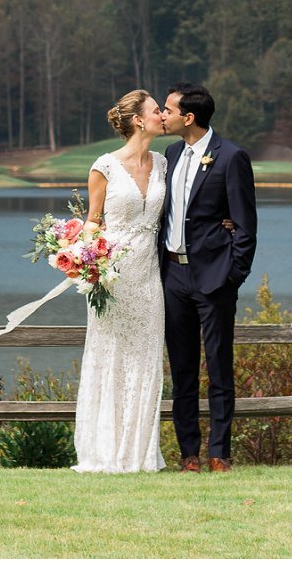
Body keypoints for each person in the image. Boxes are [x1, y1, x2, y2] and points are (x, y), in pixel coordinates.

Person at [153, 83, 256, 472]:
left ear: (189, 117)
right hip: (173, 278)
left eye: (168, 109)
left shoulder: (232, 157)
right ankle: (189, 455)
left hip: (215, 280)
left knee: (218, 367)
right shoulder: (172, 153)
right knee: (181, 369)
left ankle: (219, 453)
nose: (163, 115)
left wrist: (233, 275)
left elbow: (246, 227)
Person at [70, 89, 171, 473]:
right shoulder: (104, 166)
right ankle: (105, 451)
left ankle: (141, 453)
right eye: (156, 110)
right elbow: (93, 221)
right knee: (110, 358)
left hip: (149, 277)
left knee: (146, 360)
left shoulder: (162, 164)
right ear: (139, 120)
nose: (163, 114)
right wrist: (82, 260)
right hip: (112, 277)